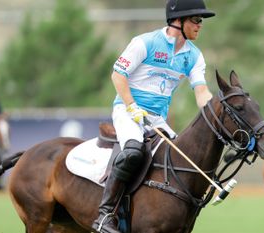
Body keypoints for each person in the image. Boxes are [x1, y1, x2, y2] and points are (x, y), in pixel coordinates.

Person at [91, 0, 215, 232]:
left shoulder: (194, 56)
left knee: (183, 157)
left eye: (201, 21)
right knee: (132, 152)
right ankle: (105, 215)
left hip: (157, 119)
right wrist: (131, 105)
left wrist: (213, 109)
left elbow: (201, 90)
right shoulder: (145, 43)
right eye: (196, 20)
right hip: (128, 112)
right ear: (178, 21)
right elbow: (118, 76)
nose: (200, 25)